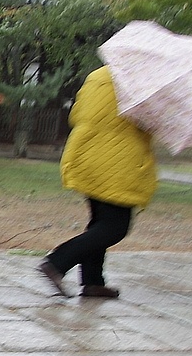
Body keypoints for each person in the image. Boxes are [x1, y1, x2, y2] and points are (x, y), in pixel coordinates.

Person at [38, 65, 157, 299]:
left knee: (101, 222)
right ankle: (57, 263)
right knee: (115, 227)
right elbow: (147, 125)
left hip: (85, 154)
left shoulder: (98, 76)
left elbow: (76, 113)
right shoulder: (142, 84)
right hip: (117, 161)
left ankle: (93, 281)